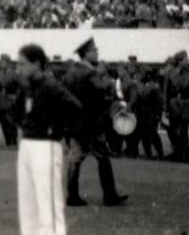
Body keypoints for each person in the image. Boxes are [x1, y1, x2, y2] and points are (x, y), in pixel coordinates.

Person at [16, 43, 81, 235]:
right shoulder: (26, 87)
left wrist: (57, 130)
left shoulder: (52, 87)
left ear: (37, 64)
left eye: (23, 64)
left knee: (48, 202)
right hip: (27, 145)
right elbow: (19, 112)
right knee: (27, 200)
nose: (19, 68)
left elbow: (75, 109)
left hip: (46, 146)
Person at [63, 38, 128, 207]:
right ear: (87, 53)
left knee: (75, 158)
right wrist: (111, 83)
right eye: (95, 50)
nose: (97, 53)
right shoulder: (90, 73)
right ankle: (109, 195)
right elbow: (101, 90)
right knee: (102, 157)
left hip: (74, 122)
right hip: (91, 123)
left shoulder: (71, 73)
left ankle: (72, 195)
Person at [162, 50, 189, 161]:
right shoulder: (170, 73)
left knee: (184, 130)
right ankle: (178, 151)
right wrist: (165, 108)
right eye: (185, 60)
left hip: (186, 104)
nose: (188, 61)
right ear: (179, 61)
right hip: (173, 104)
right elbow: (166, 91)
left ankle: (181, 153)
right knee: (172, 128)